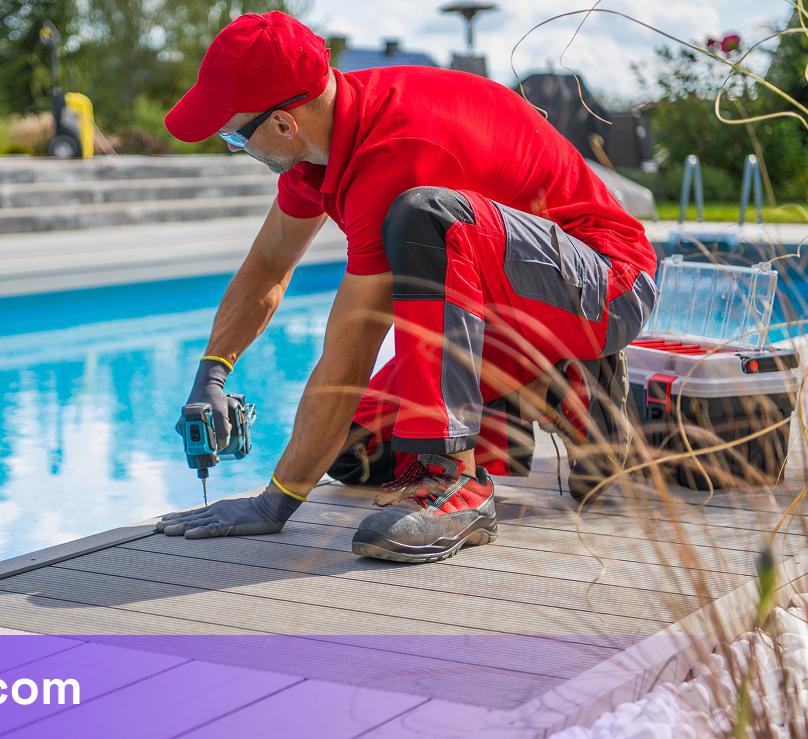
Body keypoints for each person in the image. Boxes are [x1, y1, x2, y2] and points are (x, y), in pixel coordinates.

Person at [155, 11, 657, 563]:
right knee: (353, 451)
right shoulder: (322, 145)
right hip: (514, 303)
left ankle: (453, 482)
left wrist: (274, 503)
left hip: (604, 285)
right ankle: (554, 388)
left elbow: (349, 352)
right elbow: (269, 263)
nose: (237, 147)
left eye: (233, 136)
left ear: (282, 124)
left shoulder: (396, 152)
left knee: (424, 218)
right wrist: (212, 373)